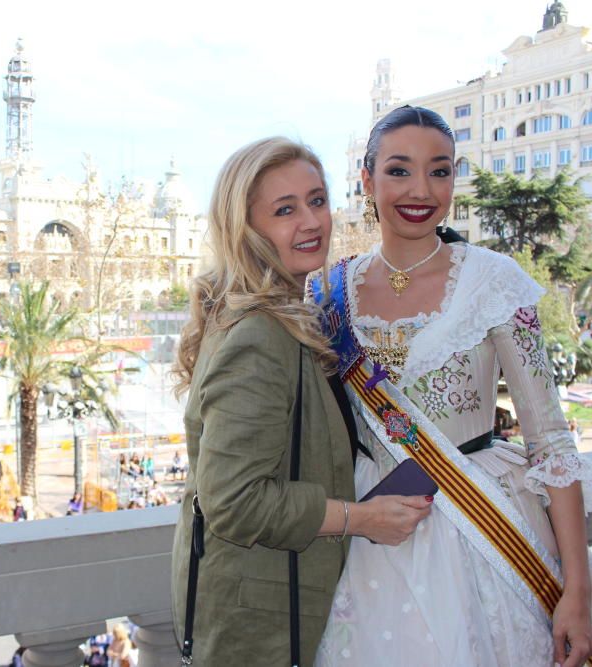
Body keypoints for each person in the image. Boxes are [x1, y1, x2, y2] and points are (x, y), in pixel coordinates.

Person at [313, 106, 592, 667]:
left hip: (484, 531)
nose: (421, 189)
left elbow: (551, 442)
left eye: (440, 170)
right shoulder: (326, 292)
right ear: (367, 179)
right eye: (399, 170)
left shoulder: (496, 282)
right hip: (368, 532)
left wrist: (575, 591)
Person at [170, 137, 431, 664]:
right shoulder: (260, 334)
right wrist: (360, 519)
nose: (311, 222)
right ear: (246, 229)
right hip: (261, 625)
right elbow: (234, 502)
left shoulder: (284, 312)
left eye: (316, 200)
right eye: (285, 210)